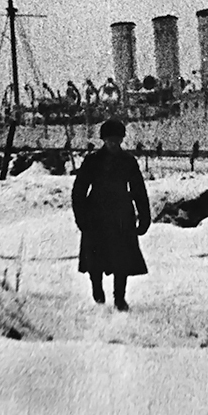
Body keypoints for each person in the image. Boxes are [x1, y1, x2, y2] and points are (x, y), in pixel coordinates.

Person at [71, 118, 151, 311]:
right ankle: (97, 293)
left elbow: (139, 190)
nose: (113, 143)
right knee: (95, 259)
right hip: (96, 215)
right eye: (109, 140)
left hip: (121, 215)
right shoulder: (92, 161)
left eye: (116, 140)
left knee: (121, 259)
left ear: (122, 140)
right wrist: (81, 217)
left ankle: (119, 298)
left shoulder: (128, 161)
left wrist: (144, 217)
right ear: (103, 140)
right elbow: (79, 191)